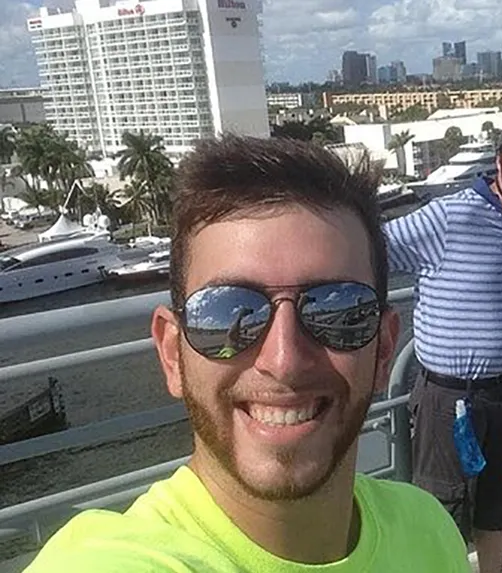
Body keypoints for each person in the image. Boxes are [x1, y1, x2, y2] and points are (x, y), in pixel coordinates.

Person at [24, 135, 470, 572]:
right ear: (172, 354)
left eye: (338, 308)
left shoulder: (428, 528)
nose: (284, 360)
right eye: (226, 311)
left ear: (384, 348)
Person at [383, 116, 502, 573]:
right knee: (440, 511)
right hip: (448, 396)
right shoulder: (450, 214)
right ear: (500, 161)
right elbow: (376, 248)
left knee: (499, 507)